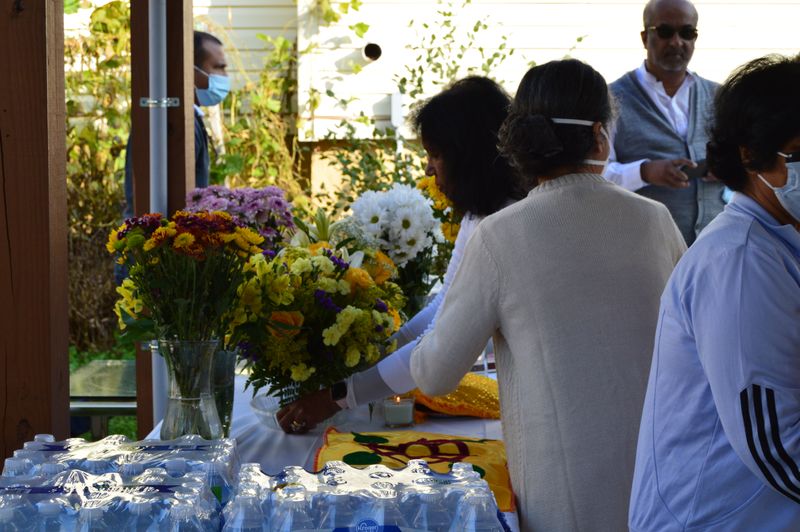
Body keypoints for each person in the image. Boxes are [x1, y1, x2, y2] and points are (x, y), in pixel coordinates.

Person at [409, 59, 686, 531]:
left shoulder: (500, 235)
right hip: (661, 486)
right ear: (600, 136)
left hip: (563, 501)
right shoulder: (655, 220)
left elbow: (434, 375)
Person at [276, 76, 523, 433]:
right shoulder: (479, 215)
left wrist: (337, 396)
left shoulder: (506, 225)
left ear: (468, 157)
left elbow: (439, 346)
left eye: (435, 155)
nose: (428, 169)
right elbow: (444, 303)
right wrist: (373, 357)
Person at [629, 55, 800, 530]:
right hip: (714, 519)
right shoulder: (740, 261)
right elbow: (776, 444)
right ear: (750, 156)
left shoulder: (781, 239)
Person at [605, 0, 724, 245]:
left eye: (687, 32)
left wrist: (729, 166)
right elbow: (596, 173)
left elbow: (753, 162)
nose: (676, 42)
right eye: (665, 31)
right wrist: (644, 172)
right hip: (645, 249)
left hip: (714, 247)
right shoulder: (611, 99)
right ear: (644, 37)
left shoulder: (719, 96)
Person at [121, 30, 229, 221]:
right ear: (190, 71)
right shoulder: (172, 122)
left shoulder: (189, 118)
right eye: (218, 67)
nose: (225, 76)